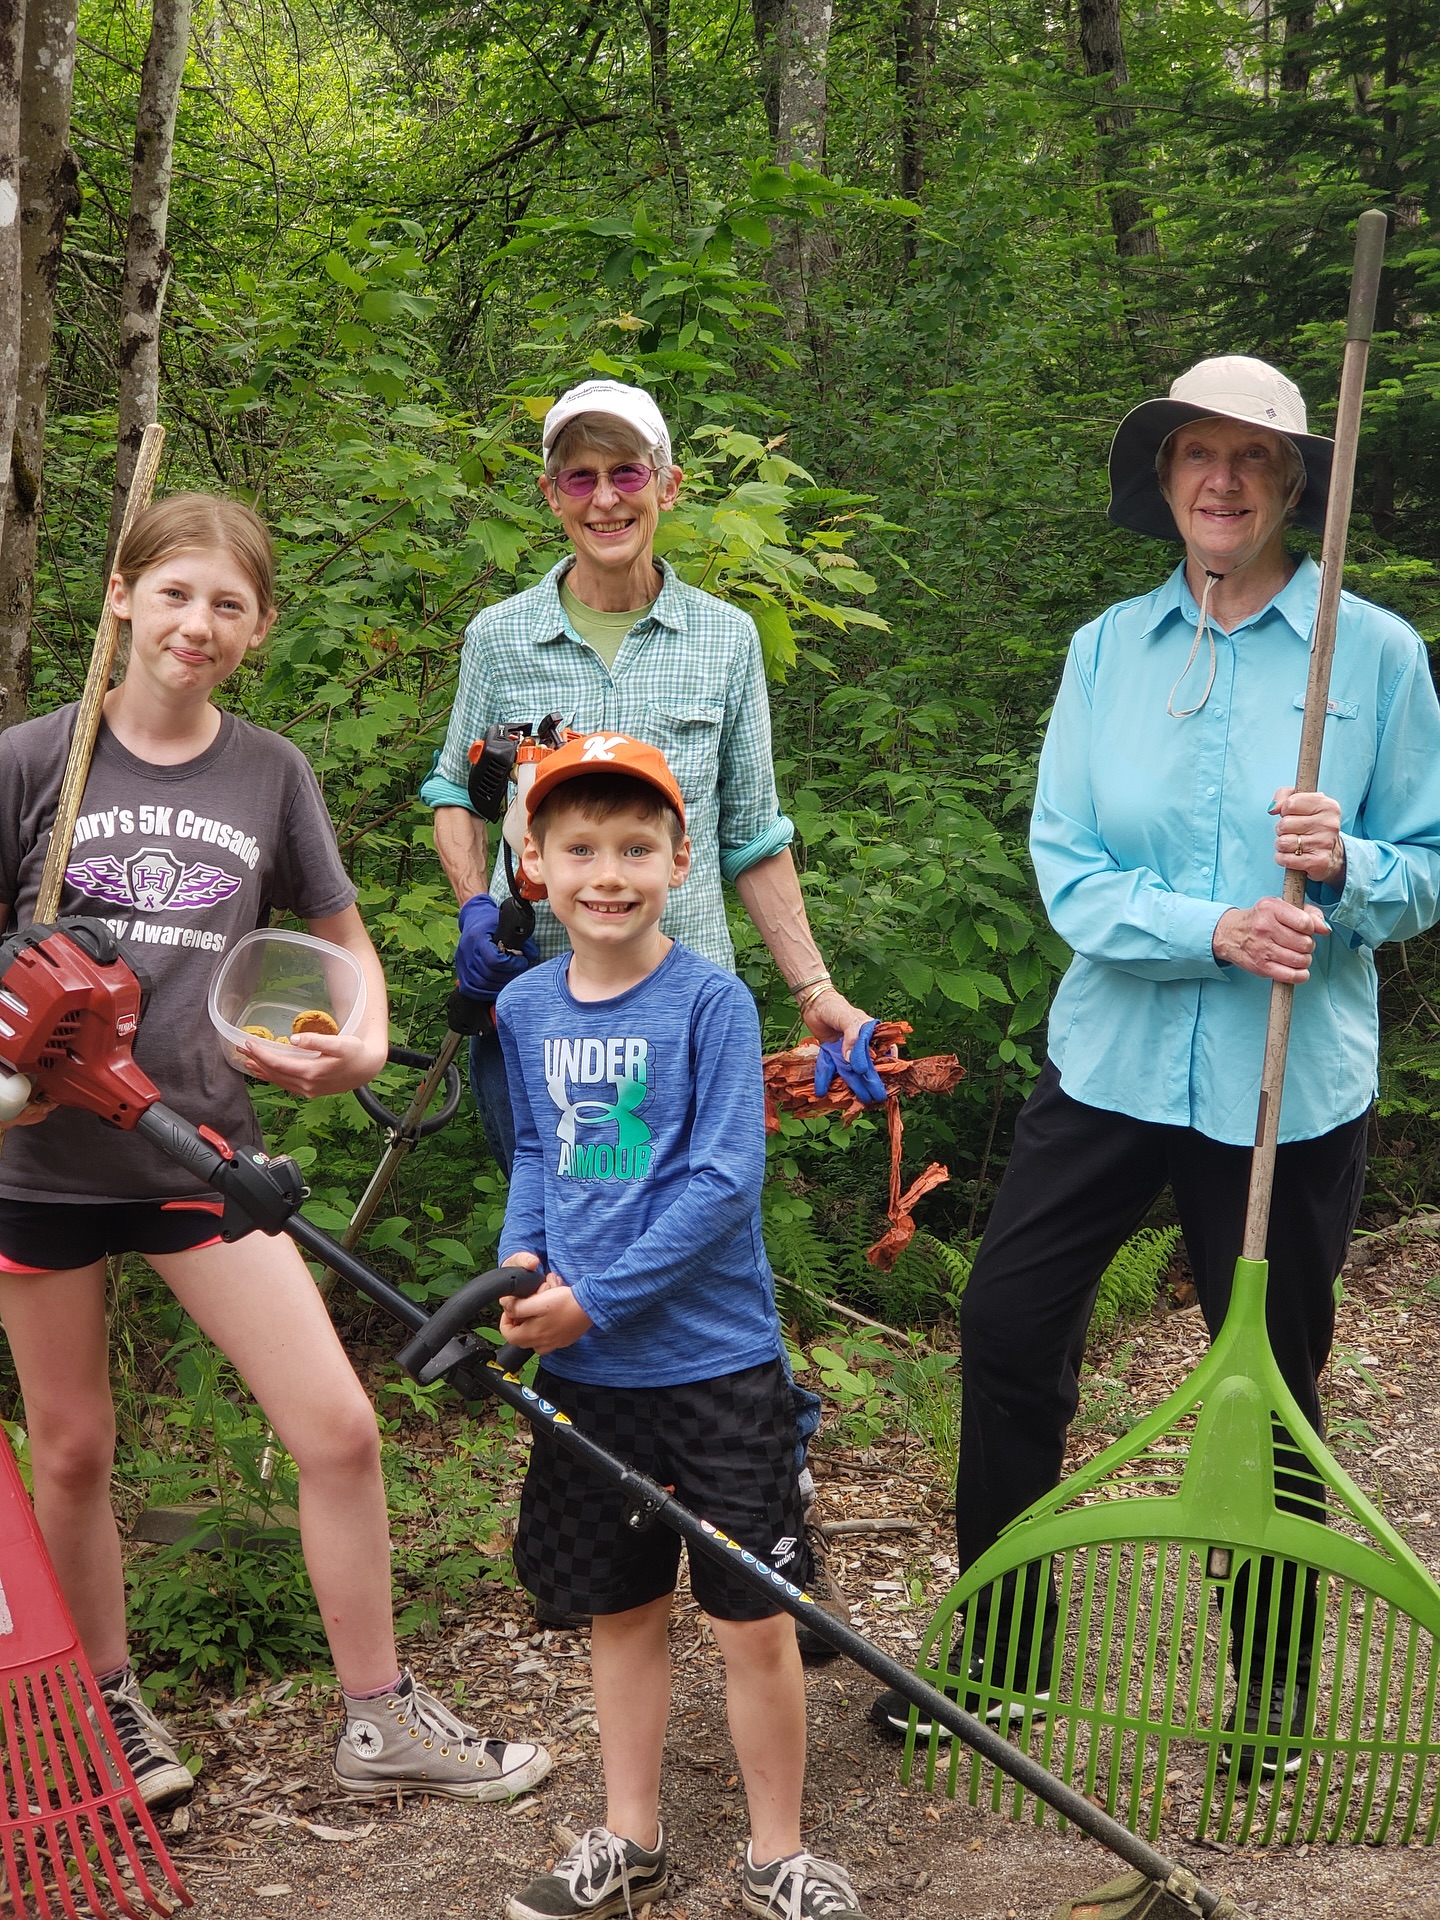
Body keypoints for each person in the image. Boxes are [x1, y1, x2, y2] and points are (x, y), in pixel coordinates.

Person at [868, 355, 1440, 1768]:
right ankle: (999, 1666)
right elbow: (1067, 869)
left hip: (1285, 1089)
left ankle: (1272, 1699)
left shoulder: (1370, 656)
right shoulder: (1106, 651)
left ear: (1296, 482)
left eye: (1253, 456)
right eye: (1199, 452)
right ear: (1167, 477)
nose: (1224, 479)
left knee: (1272, 1380)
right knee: (1006, 1332)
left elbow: (1425, 870)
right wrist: (1216, 927)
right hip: (1113, 1067)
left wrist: (1351, 865)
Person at [0, 494, 550, 1811]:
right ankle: (109, 1712)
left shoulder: (269, 771)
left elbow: (346, 943)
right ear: (122, 597)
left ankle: (382, 1721)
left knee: (340, 1428)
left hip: (203, 1158)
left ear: (258, 628)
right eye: (175, 593)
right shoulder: (31, 761)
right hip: (37, 1173)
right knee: (71, 1450)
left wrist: (356, 1048)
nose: (198, 624)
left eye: (228, 604)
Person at [423, 377, 868, 1647]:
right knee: (566, 1229)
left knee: (709, 1243)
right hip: (542, 1014)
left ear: (668, 488)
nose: (605, 498)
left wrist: (816, 990)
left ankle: (755, 1525)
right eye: (580, 476)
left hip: (686, 1024)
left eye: (629, 475)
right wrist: (479, 912)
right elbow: (456, 788)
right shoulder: (500, 638)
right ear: (552, 495)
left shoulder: (724, 641)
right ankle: (614, 1539)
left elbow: (754, 834)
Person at [490, 730, 867, 1920]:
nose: (610, 871)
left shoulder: (711, 1000)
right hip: (588, 1377)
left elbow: (721, 1182)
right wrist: (519, 1262)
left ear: (682, 858)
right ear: (536, 866)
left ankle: (777, 1854)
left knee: (753, 1618)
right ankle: (629, 1834)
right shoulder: (525, 1004)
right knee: (621, 1606)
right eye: (581, 847)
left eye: (637, 847)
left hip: (713, 1368)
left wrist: (594, 1296)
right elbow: (543, 1152)